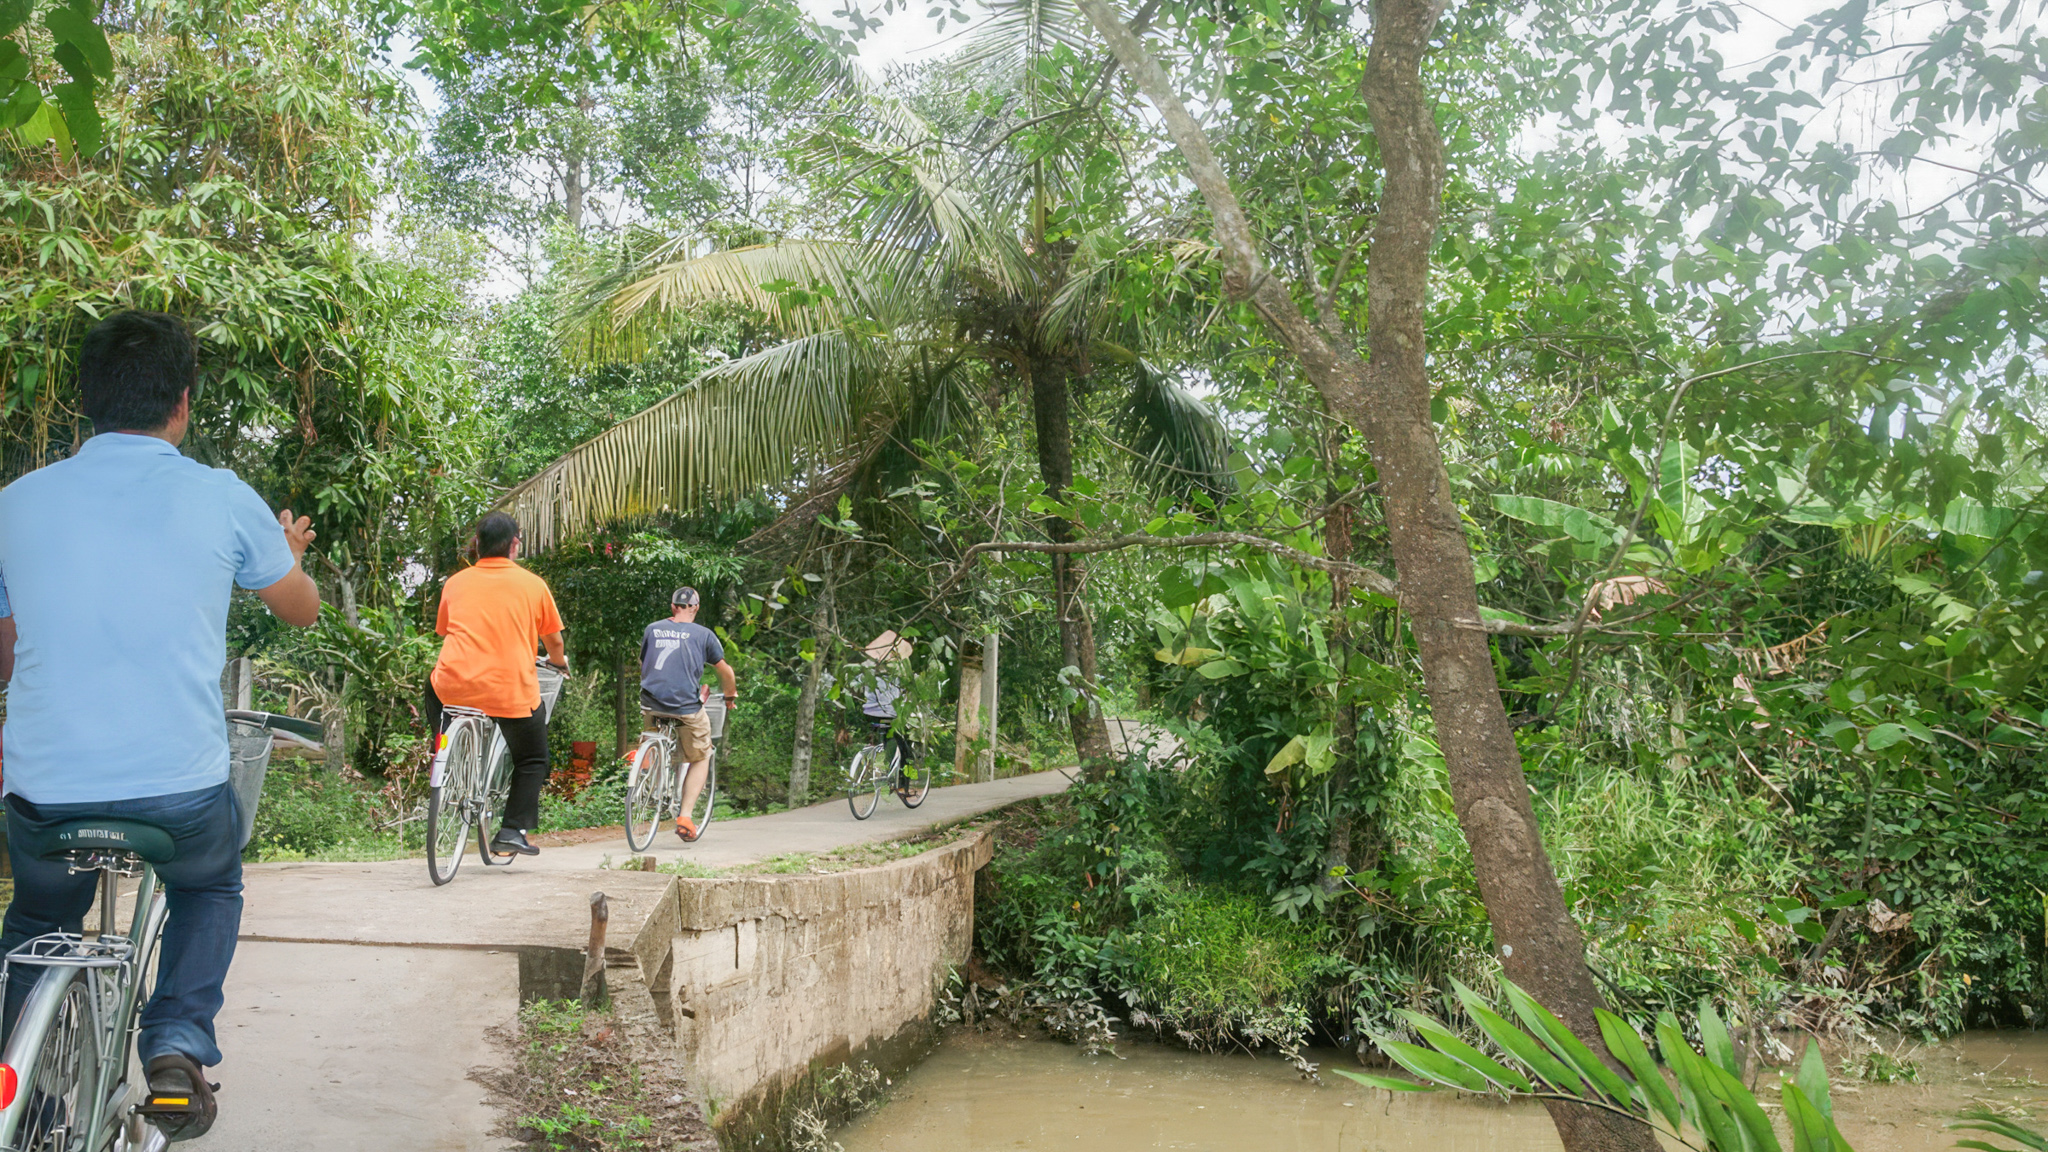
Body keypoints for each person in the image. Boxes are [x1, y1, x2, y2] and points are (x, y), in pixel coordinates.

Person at [0, 310, 322, 1140]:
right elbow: (299, 610)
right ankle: (177, 1042)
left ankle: (18, 1081)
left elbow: (3, 658)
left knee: (39, 921)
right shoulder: (221, 496)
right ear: (182, 403)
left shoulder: (16, 504)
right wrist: (285, 547)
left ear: (86, 402)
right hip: (177, 796)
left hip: (44, 794)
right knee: (210, 884)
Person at [425, 512, 567, 858]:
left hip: (452, 686)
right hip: (508, 692)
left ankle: (444, 752)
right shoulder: (533, 585)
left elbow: (445, 630)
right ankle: (511, 830)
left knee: (434, 688)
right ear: (514, 543)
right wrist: (559, 664)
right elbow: (555, 644)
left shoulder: (455, 583)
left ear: (478, 544)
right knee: (533, 758)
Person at [639, 587, 736, 841]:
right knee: (702, 754)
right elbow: (725, 672)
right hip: (685, 707)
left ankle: (647, 762)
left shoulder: (652, 629)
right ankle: (685, 817)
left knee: (652, 731)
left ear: (673, 607)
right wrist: (729, 696)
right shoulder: (704, 635)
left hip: (650, 703)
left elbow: (645, 662)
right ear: (695, 608)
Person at [855, 630, 916, 788]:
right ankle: (902, 783)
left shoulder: (867, 671)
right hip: (889, 716)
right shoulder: (897, 674)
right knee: (904, 746)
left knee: (884, 739)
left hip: (869, 714)